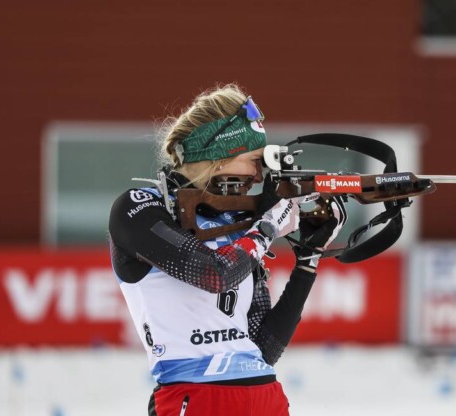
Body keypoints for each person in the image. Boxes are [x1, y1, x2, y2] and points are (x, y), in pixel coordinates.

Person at [108, 83, 346, 416]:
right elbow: (214, 275)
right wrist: (266, 227)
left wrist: (309, 257)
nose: (259, 176)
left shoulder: (237, 222)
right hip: (195, 396)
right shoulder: (141, 207)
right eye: (254, 161)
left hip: (266, 398)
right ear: (220, 156)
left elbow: (261, 348)